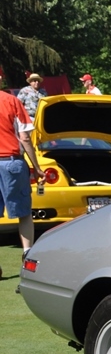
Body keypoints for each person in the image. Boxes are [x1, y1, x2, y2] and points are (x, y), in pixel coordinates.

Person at [0, 88, 45, 279]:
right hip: (10, 162)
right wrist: (36, 167)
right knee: (24, 213)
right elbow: (25, 137)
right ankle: (28, 258)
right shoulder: (11, 100)